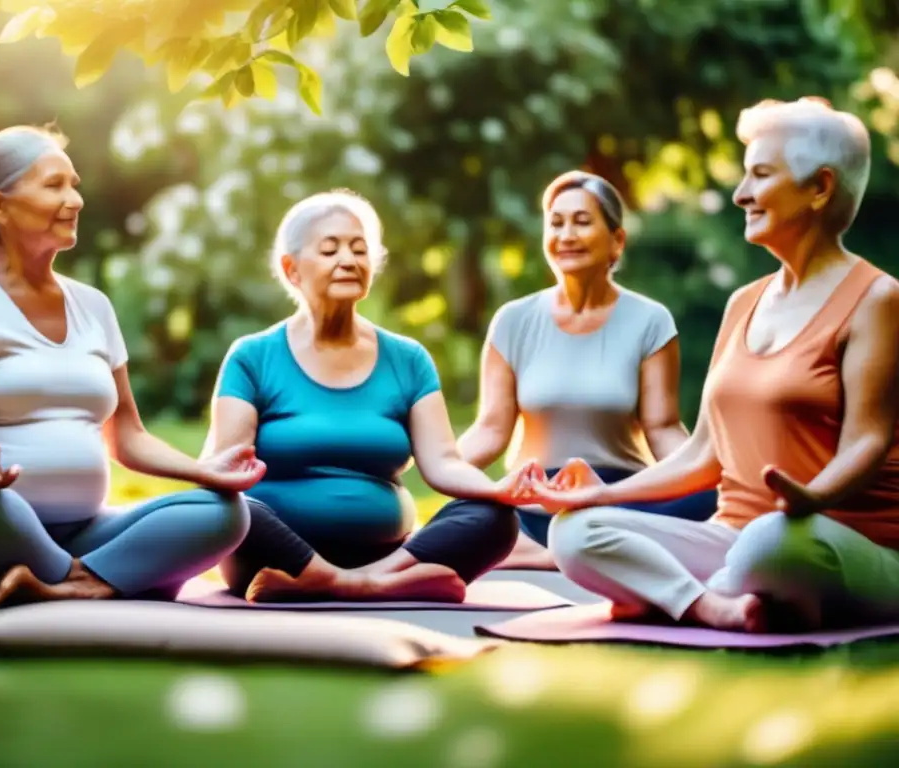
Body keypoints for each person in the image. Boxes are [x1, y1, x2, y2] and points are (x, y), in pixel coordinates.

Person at [528, 98, 899, 632]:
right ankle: (713, 605)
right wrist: (601, 494)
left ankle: (674, 594)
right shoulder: (744, 302)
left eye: (760, 175)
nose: (740, 193)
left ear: (819, 188)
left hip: (837, 541)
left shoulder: (877, 299)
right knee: (574, 531)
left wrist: (812, 497)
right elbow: (705, 452)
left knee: (768, 542)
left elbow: (870, 439)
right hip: (735, 539)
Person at [0, 125, 261, 608]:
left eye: (74, 185)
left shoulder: (94, 306)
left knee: (225, 514)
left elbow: (127, 435)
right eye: (54, 185)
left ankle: (65, 580)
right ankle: (105, 578)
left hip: (78, 532)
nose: (75, 200)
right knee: (0, 506)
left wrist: (206, 472)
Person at [202, 190, 532, 603]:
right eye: (330, 249)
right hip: (273, 554)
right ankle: (368, 586)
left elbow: (444, 462)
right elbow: (222, 469)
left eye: (360, 250)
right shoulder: (253, 356)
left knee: (494, 518)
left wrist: (498, 490)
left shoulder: (408, 359)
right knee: (233, 509)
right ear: (292, 269)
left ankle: (361, 582)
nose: (349, 260)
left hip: (385, 553)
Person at [458, 170, 716, 570]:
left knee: (713, 494)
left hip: (620, 499)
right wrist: (440, 465)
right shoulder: (513, 320)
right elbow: (491, 429)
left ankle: (560, 552)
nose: (566, 235)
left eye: (581, 221)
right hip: (535, 501)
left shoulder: (651, 320)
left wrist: (701, 474)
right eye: (556, 223)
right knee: (470, 512)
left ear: (617, 240)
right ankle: (574, 550)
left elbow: (662, 428)